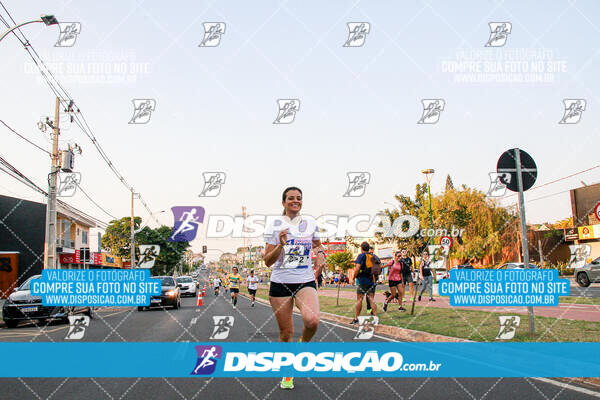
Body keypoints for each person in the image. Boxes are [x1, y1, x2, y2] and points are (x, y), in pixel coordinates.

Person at [263, 186, 325, 390]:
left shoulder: (311, 223)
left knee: (312, 320)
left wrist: (321, 256)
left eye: (298, 198)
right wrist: (281, 245)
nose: (295, 201)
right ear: (283, 202)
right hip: (280, 282)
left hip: (304, 279)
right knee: (286, 333)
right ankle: (287, 373)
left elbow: (317, 245)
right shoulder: (274, 225)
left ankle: (302, 347)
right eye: (291, 198)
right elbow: (267, 262)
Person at [351, 242, 378, 325]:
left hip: (362, 281)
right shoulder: (373, 256)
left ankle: (356, 318)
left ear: (361, 248)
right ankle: (375, 318)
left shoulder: (361, 256)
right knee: (372, 300)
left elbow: (357, 268)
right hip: (372, 281)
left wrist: (353, 278)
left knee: (359, 299)